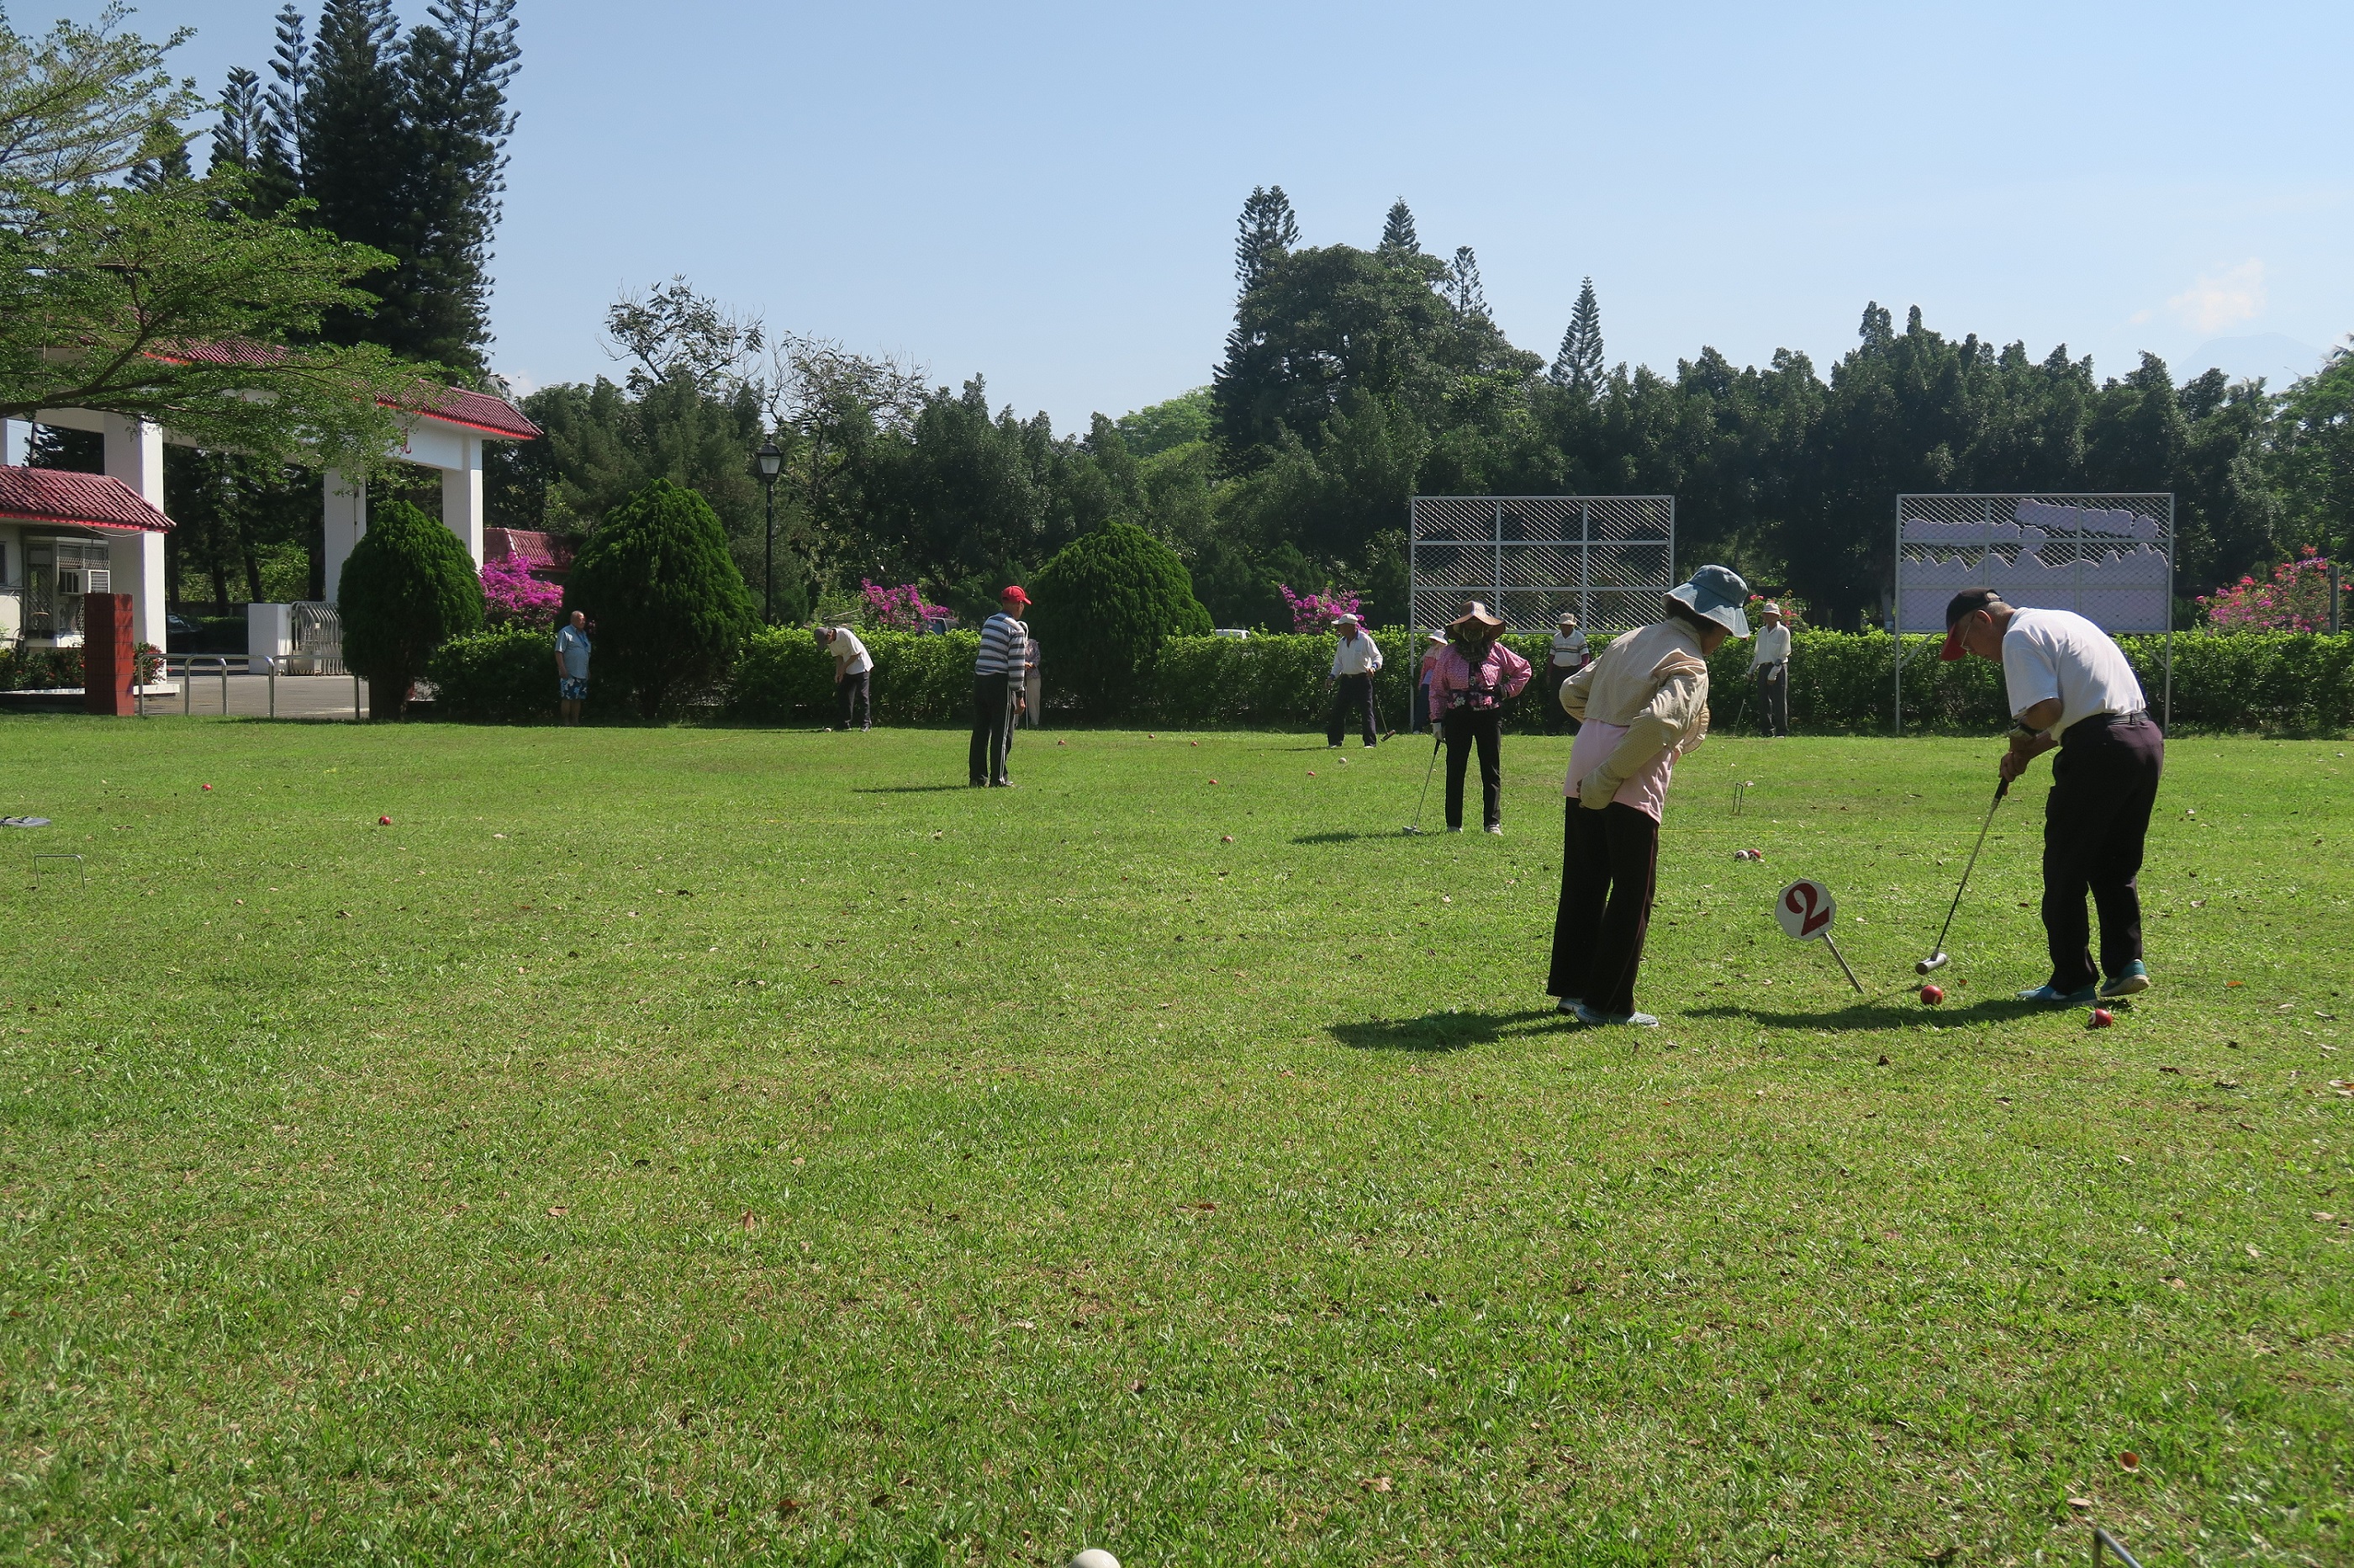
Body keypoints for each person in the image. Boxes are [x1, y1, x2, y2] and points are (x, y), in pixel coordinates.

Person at [1940, 587, 2162, 1004]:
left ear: (1982, 620)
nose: (1973, 653)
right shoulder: (2064, 620)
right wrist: (2029, 751)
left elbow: (2047, 711)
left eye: (1967, 642)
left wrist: (2021, 735)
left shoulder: (2018, 637)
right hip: (2142, 741)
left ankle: (2072, 982)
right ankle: (2126, 965)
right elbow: (2082, 712)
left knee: (2065, 868)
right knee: (2115, 863)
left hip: (2097, 750)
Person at [1549, 565, 1749, 1027]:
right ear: (1716, 623)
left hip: (1584, 759)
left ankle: (1573, 988)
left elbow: (1570, 691)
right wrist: (1614, 767)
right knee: (1632, 890)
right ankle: (1607, 1003)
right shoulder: (1690, 661)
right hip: (1628, 773)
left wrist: (1603, 728)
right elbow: (1661, 724)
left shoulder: (1630, 638)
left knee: (1585, 878)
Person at [1425, 602, 1531, 834]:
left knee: (1490, 770)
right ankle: (1454, 823)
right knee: (1455, 769)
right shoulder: (1449, 654)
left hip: (1489, 716)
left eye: (1479, 624)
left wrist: (1506, 690)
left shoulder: (1497, 650)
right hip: (1457, 717)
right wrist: (1436, 720)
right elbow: (1437, 689)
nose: (1474, 628)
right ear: (1461, 628)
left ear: (1485, 628)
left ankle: (1492, 823)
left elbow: (1523, 670)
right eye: (1469, 624)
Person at [970, 585, 1030, 787]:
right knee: (1003, 733)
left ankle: (977, 778)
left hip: (980, 680)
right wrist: (1019, 695)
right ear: (1018, 604)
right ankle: (999, 778)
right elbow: (1015, 667)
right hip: (999, 683)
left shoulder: (989, 622)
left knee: (980, 731)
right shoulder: (1016, 630)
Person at [1324, 613, 1384, 747]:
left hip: (1362, 680)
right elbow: (1338, 664)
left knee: (1366, 711)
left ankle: (1370, 743)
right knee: (1339, 710)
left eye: (1341, 627)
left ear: (1349, 626)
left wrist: (1373, 668)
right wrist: (1332, 677)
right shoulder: (1342, 642)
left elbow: (1377, 657)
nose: (1338, 630)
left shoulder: (1364, 639)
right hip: (1347, 680)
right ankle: (1335, 742)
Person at [816, 624, 873, 731]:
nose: (827, 644)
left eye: (825, 641)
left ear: (829, 634)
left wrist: (843, 667)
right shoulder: (830, 641)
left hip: (862, 666)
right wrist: (838, 672)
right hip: (848, 669)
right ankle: (844, 724)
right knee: (843, 693)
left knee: (862, 695)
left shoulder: (845, 634)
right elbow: (838, 656)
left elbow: (856, 653)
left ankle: (866, 724)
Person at [1750, 600, 1792, 736]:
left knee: (1779, 700)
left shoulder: (1783, 632)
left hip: (1778, 668)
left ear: (1777, 616)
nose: (1767, 618)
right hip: (1764, 667)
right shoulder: (1762, 632)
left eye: (1771, 615)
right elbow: (1759, 654)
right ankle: (1767, 730)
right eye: (1765, 615)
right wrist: (1751, 670)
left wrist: (1773, 673)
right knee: (1763, 700)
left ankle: (1781, 731)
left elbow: (1783, 653)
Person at [1547, 613, 1590, 734]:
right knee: (1555, 700)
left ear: (1572, 626)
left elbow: (1585, 656)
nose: (1564, 627)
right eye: (1562, 625)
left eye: (1567, 625)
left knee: (1573, 699)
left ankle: (1575, 729)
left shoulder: (1579, 637)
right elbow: (1551, 657)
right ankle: (1553, 729)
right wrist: (1549, 674)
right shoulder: (1557, 637)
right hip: (1558, 671)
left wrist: (1581, 671)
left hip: (1572, 671)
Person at [554, 610, 590, 726]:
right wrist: (562, 668)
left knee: (578, 697)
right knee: (567, 697)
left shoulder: (583, 634)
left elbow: (585, 653)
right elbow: (559, 651)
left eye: (584, 619)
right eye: (580, 619)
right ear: (573, 620)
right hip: (570, 671)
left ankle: (576, 721)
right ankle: (566, 721)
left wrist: (588, 669)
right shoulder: (565, 632)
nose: (583, 621)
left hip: (582, 672)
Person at [1412, 631, 1445, 733]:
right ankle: (1417, 728)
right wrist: (1421, 683)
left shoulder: (1445, 653)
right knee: (1423, 703)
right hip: (1428, 681)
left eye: (1435, 640)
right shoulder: (1429, 653)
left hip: (1441, 682)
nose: (1433, 642)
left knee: (1441, 705)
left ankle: (1441, 727)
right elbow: (1424, 669)